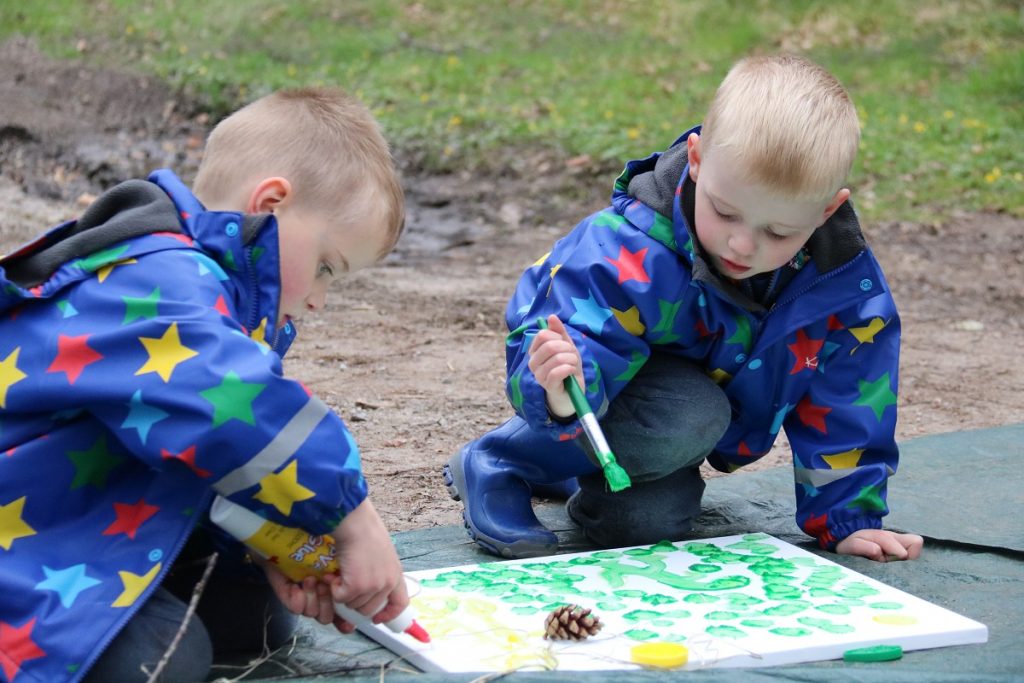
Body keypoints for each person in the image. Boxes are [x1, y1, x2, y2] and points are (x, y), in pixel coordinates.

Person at [444, 54, 924, 565]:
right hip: (634, 405)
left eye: (779, 232)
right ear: (695, 160)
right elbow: (569, 336)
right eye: (724, 211)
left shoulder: (841, 286)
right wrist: (563, 394)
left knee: (645, 525)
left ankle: (574, 469)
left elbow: (851, 397)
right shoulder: (626, 250)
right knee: (690, 417)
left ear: (827, 210)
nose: (742, 245)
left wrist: (847, 518)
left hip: (665, 428)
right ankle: (502, 459)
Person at [0, 87, 408, 682]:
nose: (319, 299)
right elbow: (239, 411)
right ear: (270, 203)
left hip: (84, 512)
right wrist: (355, 519)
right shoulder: (157, 279)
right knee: (161, 661)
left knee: (253, 616)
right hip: (27, 538)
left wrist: (276, 545)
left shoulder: (196, 281)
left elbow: (191, 453)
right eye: (326, 266)